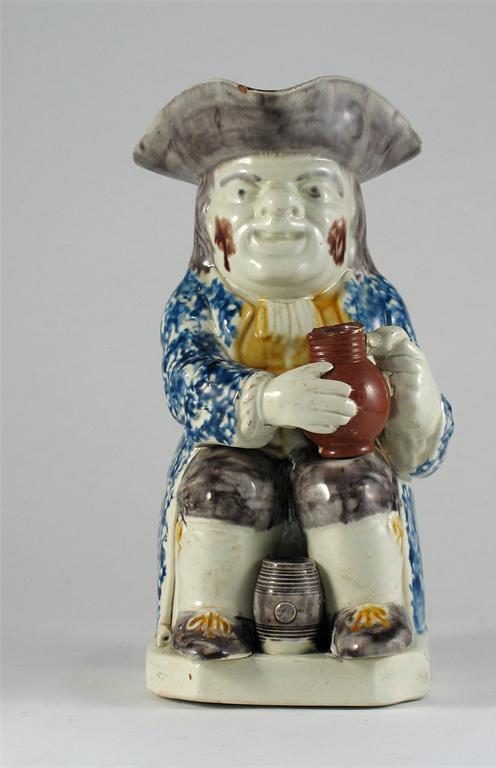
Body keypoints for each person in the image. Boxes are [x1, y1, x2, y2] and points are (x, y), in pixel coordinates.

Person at [134, 77, 454, 661]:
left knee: (354, 482)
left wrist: (415, 399)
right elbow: (185, 381)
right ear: (208, 219)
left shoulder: (373, 300)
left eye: (313, 189)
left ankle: (369, 611)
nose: (279, 207)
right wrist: (265, 400)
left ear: (351, 219)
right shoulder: (199, 299)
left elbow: (419, 456)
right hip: (234, 455)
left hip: (344, 459)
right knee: (221, 486)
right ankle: (210, 613)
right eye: (244, 190)